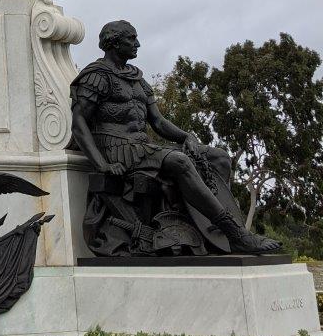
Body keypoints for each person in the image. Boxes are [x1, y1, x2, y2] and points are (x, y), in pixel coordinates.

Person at [70, 20, 280, 254]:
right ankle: (236, 234)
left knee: (218, 157)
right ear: (113, 42)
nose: (137, 44)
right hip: (116, 148)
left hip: (141, 147)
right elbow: (78, 124)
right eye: (131, 38)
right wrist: (103, 164)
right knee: (180, 161)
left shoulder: (137, 79)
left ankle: (210, 231)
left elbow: (158, 121)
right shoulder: (96, 76)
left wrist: (186, 136)